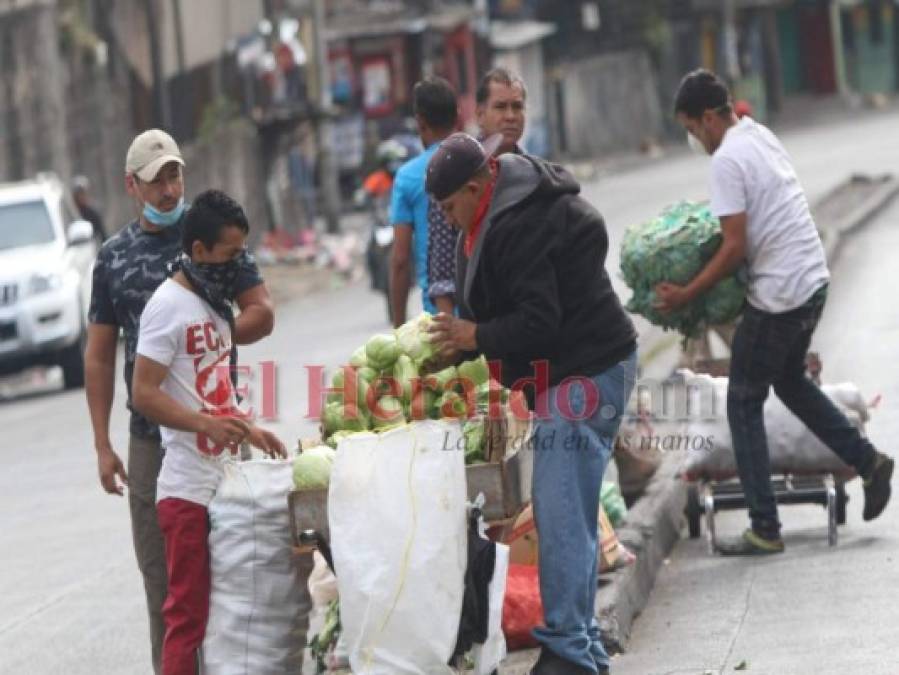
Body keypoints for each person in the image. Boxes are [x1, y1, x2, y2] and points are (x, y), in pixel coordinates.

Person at [656, 69, 893, 555]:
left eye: (693, 128)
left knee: (742, 400)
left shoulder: (726, 160)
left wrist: (687, 293)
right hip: (811, 282)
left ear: (707, 118)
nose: (694, 139)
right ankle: (868, 462)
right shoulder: (757, 134)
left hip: (781, 294)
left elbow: (734, 247)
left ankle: (765, 526)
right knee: (789, 381)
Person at [426, 133, 637, 675]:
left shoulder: (518, 223)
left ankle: (568, 648)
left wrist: (474, 336)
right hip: (587, 370)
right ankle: (583, 646)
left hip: (583, 376)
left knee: (560, 512)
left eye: (451, 207)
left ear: (476, 188)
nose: (449, 220)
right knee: (572, 512)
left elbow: (539, 319)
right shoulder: (505, 204)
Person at [84, 129, 274, 674]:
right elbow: (99, 357)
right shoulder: (114, 259)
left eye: (175, 175)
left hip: (219, 436)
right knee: (166, 588)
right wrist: (102, 444)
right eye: (156, 180)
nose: (169, 190)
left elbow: (261, 310)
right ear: (132, 186)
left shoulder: (214, 237)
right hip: (152, 442)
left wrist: (213, 333)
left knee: (234, 577)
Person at [132, 189, 286, 675]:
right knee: (186, 617)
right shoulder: (166, 307)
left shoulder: (215, 302)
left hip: (223, 485)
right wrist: (206, 426)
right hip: (185, 493)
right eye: (230, 255)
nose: (238, 264)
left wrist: (251, 430)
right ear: (198, 252)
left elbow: (212, 386)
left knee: (227, 616)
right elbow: (145, 392)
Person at [389, 76, 458, 326]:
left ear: (420, 121)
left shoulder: (408, 177)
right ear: (456, 115)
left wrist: (398, 327)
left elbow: (400, 259)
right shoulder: (478, 162)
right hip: (484, 316)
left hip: (440, 316)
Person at [476, 67, 527, 156]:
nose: (510, 116)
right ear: (480, 115)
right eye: (500, 107)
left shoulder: (534, 168)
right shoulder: (463, 167)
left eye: (517, 106)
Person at [73, 175, 107, 242]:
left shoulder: (93, 214)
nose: (81, 197)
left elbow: (103, 236)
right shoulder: (72, 214)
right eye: (78, 195)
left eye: (83, 193)